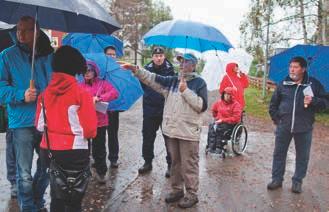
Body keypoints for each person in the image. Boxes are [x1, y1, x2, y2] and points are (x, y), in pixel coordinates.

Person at [120, 53, 208, 208]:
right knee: (175, 163)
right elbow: (152, 78)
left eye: (185, 62)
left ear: (193, 65)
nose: (181, 64)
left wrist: (186, 91)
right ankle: (177, 190)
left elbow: (201, 106)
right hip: (172, 131)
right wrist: (136, 69)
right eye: (180, 61)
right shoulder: (172, 81)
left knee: (189, 164)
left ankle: (192, 194)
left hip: (188, 133)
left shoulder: (200, 83)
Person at [35, 45, 98, 211]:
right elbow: (91, 131)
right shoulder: (82, 94)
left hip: (48, 151)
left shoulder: (44, 94)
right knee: (74, 198)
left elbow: (40, 126)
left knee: (57, 195)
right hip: (75, 152)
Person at [0, 16, 53, 211]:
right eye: (18, 30)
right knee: (23, 173)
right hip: (21, 122)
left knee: (47, 167)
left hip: (46, 120)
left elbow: (56, 84)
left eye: (26, 30)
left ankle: (38, 200)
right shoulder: (7, 55)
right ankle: (28, 207)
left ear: (37, 31)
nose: (20, 34)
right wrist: (21, 95)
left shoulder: (49, 55)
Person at [267, 56, 329, 193]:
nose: (292, 69)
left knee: (302, 156)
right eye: (290, 67)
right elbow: (273, 104)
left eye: (295, 67)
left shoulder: (314, 84)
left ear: (303, 69)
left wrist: (313, 101)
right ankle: (277, 179)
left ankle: (297, 181)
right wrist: (278, 120)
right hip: (284, 126)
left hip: (304, 128)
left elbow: (325, 104)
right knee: (279, 154)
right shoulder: (283, 83)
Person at [138, 46, 175, 178]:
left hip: (166, 110)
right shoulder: (146, 70)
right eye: (156, 56)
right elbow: (141, 86)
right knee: (147, 137)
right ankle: (147, 162)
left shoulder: (171, 70)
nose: (158, 58)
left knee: (169, 139)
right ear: (152, 57)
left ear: (164, 57)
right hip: (149, 109)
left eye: (161, 56)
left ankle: (171, 165)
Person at [80, 61, 118, 183]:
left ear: (94, 72)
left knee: (99, 148)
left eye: (89, 70)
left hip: (100, 122)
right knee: (84, 149)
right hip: (84, 122)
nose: (86, 73)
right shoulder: (79, 86)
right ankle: (85, 173)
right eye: (84, 70)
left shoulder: (102, 84)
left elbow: (114, 93)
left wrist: (100, 98)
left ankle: (101, 172)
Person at [207, 87, 242, 154]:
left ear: (232, 96)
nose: (226, 96)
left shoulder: (236, 105)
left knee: (220, 128)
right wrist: (217, 118)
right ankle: (211, 146)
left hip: (230, 124)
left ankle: (219, 147)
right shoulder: (219, 103)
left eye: (228, 94)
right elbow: (214, 110)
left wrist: (223, 120)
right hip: (220, 121)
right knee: (211, 126)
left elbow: (236, 118)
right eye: (225, 94)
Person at [104, 45, 121, 168]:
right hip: (100, 107)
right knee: (98, 135)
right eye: (109, 54)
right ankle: (98, 157)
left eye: (113, 54)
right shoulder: (98, 69)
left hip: (113, 108)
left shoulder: (119, 71)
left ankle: (113, 158)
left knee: (113, 134)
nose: (111, 56)